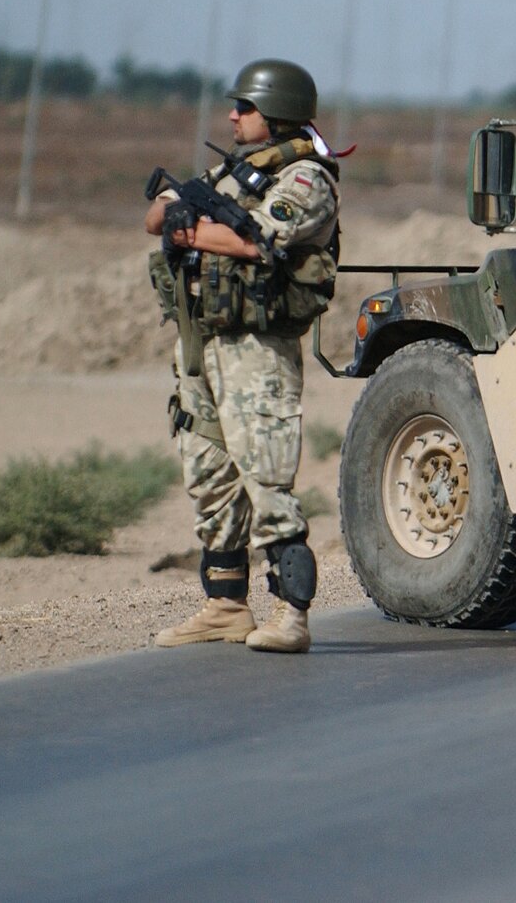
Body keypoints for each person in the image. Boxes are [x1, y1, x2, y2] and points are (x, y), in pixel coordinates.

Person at [145, 59, 341, 654]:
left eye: (245, 107)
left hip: (258, 350)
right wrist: (177, 213)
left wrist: (185, 229)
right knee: (209, 476)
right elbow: (156, 212)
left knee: (266, 477)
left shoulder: (308, 181)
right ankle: (225, 605)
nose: (232, 115)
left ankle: (291, 617)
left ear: (275, 113)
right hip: (202, 345)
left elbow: (256, 241)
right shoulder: (229, 173)